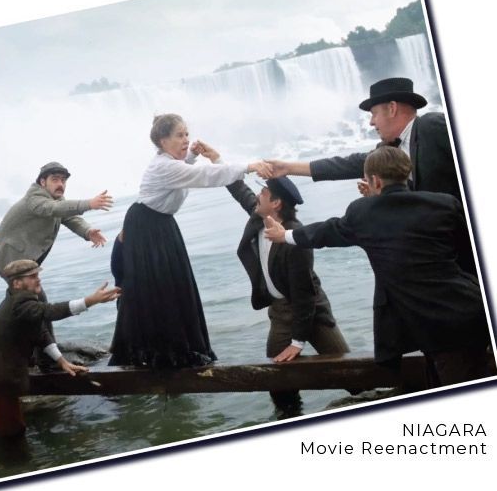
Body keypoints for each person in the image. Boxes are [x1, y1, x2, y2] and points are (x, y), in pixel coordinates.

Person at [265, 147, 494, 387]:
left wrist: (286, 235)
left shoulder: (363, 212)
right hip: (472, 308)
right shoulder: (445, 204)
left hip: (439, 327)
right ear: (406, 173)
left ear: (374, 180)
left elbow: (328, 232)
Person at [265, 77, 473, 275]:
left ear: (392, 109)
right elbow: (347, 165)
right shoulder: (389, 151)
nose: (372, 123)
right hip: (448, 256)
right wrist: (289, 168)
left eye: (374, 114)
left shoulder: (431, 126)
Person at [109, 114, 270, 368]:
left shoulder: (170, 164)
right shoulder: (164, 166)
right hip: (147, 228)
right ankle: (156, 351)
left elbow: (186, 172)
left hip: (159, 226)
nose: (186, 139)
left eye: (187, 134)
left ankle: (177, 347)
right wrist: (250, 166)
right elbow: (205, 176)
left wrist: (193, 155)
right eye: (179, 135)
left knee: (174, 287)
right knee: (158, 290)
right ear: (163, 141)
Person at [222, 152, 349, 418]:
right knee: (278, 380)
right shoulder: (259, 217)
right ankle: (289, 418)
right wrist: (216, 160)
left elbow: (304, 295)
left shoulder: (296, 237)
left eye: (264, 194)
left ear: (276, 203)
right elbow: (239, 190)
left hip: (311, 310)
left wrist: (298, 342)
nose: (258, 197)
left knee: (350, 371)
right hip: (280, 312)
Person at [0, 259, 120, 438]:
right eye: (32, 276)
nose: (38, 279)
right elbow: (51, 311)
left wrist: (62, 362)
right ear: (17, 283)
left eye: (38, 275)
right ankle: (10, 464)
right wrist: (90, 301)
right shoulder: (22, 305)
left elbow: (41, 332)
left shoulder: (15, 298)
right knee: (14, 432)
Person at [0, 161, 111, 276]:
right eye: (55, 180)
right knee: (31, 297)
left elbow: (69, 218)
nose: (60, 184)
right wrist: (89, 204)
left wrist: (87, 231)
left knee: (28, 298)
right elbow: (54, 208)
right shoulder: (34, 199)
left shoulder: (56, 199)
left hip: (23, 258)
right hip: (7, 257)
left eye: (63, 180)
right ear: (43, 182)